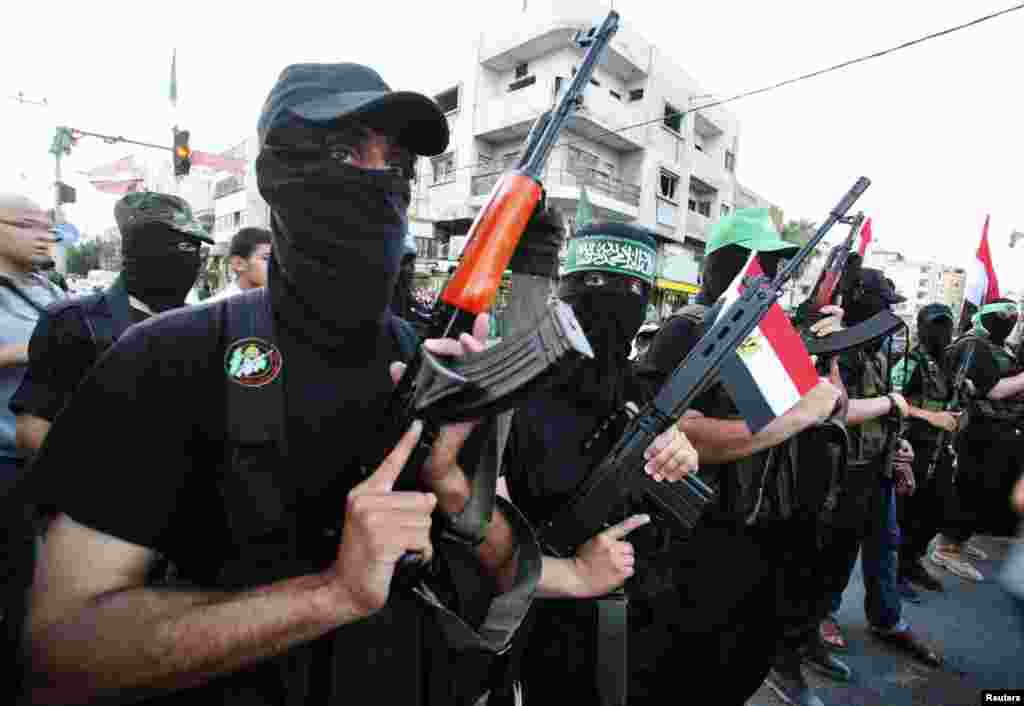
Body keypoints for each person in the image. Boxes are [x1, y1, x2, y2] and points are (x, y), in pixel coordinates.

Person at [20, 62, 540, 706]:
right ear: (275, 177)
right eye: (345, 152)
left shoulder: (422, 359)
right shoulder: (166, 358)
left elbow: (506, 570)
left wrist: (453, 486)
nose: (378, 181)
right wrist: (331, 593)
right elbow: (62, 652)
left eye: (398, 165)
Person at [634, 209, 845, 706]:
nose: (770, 277)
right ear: (724, 268)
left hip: (765, 533)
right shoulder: (687, 329)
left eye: (774, 266)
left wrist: (825, 361)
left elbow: (829, 406)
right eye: (761, 264)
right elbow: (675, 433)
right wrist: (801, 413)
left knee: (744, 663)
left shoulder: (767, 334)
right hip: (704, 540)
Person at [498, 222, 700, 705]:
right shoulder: (513, 393)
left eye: (631, 292)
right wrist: (570, 572)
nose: (613, 307)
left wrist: (681, 455)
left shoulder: (639, 391)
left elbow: (668, 499)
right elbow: (480, 546)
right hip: (537, 632)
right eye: (596, 289)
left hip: (637, 626)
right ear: (565, 295)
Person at [11, 192, 214, 457]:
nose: (191, 259)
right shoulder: (74, 321)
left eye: (197, 250)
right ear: (140, 249)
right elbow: (32, 429)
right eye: (182, 247)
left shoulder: (204, 323)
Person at [815, 267, 941, 679]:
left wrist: (898, 448)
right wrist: (890, 403)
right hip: (841, 471)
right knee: (836, 552)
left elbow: (889, 411)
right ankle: (818, 620)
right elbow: (835, 409)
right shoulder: (836, 347)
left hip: (878, 466)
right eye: (884, 306)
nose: (891, 317)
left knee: (885, 546)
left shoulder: (877, 351)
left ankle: (888, 619)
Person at [0, 192, 65, 700]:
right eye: (28, 224)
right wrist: (50, 343)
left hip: (46, 456)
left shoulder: (46, 285)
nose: (45, 234)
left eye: (48, 225)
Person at [933, 299, 1024, 580]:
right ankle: (948, 547)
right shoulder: (972, 344)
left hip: (998, 428)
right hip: (977, 429)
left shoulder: (1001, 348)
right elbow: (993, 390)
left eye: (1013, 314)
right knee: (970, 486)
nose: (1008, 319)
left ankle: (961, 540)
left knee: (985, 488)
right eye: (1001, 314)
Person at [888, 303, 961, 601]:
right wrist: (931, 416)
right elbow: (892, 400)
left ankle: (914, 559)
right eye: (935, 326)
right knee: (907, 513)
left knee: (938, 508)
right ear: (921, 327)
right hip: (911, 448)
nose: (941, 332)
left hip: (940, 447)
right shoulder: (909, 361)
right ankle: (896, 571)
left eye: (946, 325)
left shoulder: (947, 362)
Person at [209, 227, 272, 302]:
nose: (275, 265)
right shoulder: (216, 308)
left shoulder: (277, 304)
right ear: (239, 264)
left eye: (277, 260)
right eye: (266, 258)